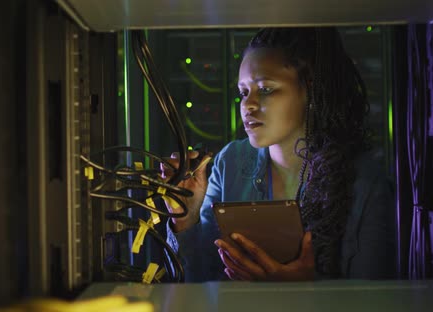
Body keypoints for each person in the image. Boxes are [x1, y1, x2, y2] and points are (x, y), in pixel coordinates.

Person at [161, 27, 396, 282]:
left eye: (265, 89)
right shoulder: (230, 162)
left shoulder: (363, 180)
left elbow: (376, 294)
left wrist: (310, 288)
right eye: (243, 92)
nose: (247, 105)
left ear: (311, 90)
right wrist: (185, 219)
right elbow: (200, 281)